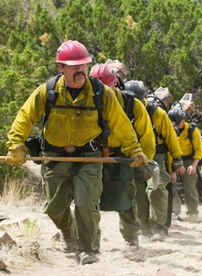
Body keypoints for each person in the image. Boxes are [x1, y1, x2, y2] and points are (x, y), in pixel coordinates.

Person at [5, 40, 148, 265]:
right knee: (55, 207)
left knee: (86, 204)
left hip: (89, 158)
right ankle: (67, 231)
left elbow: (122, 125)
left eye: (84, 65)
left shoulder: (102, 94)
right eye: (74, 66)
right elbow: (25, 117)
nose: (80, 69)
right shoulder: (48, 91)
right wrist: (15, 145)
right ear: (61, 67)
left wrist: (135, 151)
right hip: (53, 157)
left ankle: (86, 250)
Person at [89, 63, 155, 251]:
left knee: (126, 199)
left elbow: (147, 135)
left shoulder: (132, 104)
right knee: (88, 199)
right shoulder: (86, 102)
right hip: (92, 154)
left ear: (115, 85)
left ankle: (131, 239)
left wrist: (146, 162)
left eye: (105, 88)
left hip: (125, 156)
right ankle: (91, 240)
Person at [125, 80, 184, 242]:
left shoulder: (157, 113)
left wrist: (176, 160)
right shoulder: (124, 111)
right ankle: (144, 228)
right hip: (134, 154)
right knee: (138, 194)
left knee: (156, 189)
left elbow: (171, 138)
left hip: (155, 155)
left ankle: (159, 227)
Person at [168, 108, 202, 219]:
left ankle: (193, 213)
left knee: (190, 187)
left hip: (189, 160)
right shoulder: (169, 130)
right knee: (169, 185)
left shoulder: (192, 131)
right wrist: (172, 169)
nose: (175, 126)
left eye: (177, 124)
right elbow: (168, 149)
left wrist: (193, 165)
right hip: (172, 158)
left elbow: (199, 150)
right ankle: (173, 212)